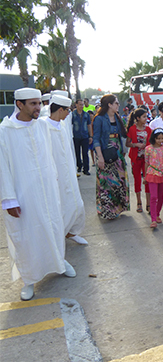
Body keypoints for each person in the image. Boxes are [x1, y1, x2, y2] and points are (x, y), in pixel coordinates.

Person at [0, 88, 76, 301]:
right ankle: (29, 279)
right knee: (27, 235)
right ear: (19, 104)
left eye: (39, 103)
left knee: (53, 225)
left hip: (48, 190)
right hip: (23, 194)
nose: (38, 107)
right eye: (32, 103)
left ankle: (60, 263)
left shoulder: (41, 125)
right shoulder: (5, 131)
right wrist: (8, 199)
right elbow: (2, 168)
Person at [45, 94, 88, 245]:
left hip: (68, 171)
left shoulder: (62, 125)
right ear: (60, 110)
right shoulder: (44, 127)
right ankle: (58, 238)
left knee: (76, 204)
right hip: (55, 175)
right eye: (67, 110)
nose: (69, 114)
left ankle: (71, 232)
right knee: (60, 206)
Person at [93, 94, 130, 220]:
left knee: (119, 181)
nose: (118, 105)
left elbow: (122, 136)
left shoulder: (117, 117)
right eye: (116, 103)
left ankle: (118, 208)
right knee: (106, 182)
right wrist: (100, 157)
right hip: (104, 152)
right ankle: (107, 210)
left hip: (118, 153)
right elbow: (96, 139)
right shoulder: (99, 119)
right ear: (109, 104)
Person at [144, 128, 163, 228]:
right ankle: (153, 219)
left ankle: (157, 214)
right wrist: (144, 176)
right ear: (154, 138)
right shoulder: (148, 149)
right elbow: (146, 162)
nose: (160, 141)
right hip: (152, 174)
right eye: (158, 138)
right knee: (153, 197)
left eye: (162, 138)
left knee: (160, 196)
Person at [126, 108, 152, 213]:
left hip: (146, 159)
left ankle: (149, 203)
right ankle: (139, 202)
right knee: (137, 180)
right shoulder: (132, 129)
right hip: (136, 158)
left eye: (146, 116)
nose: (146, 119)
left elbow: (150, 143)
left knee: (147, 180)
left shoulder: (148, 129)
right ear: (138, 118)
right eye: (144, 117)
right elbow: (127, 143)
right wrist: (135, 144)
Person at [72, 99, 93, 175]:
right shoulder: (72, 114)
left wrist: (90, 136)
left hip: (85, 136)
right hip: (76, 136)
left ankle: (86, 169)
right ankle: (79, 166)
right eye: (80, 104)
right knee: (77, 153)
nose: (81, 106)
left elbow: (89, 125)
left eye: (82, 105)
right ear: (76, 105)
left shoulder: (86, 115)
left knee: (85, 153)